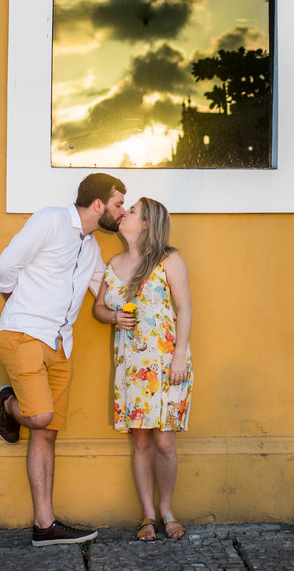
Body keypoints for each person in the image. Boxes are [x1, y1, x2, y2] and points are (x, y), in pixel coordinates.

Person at [0, 172, 126, 547]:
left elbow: (103, 289)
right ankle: (9, 403)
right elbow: (4, 268)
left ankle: (44, 525)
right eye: (118, 205)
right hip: (24, 334)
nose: (122, 211)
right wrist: (20, 306)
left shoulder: (92, 248)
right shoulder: (50, 220)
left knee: (46, 433)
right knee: (40, 417)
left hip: (61, 345)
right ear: (98, 205)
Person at [91, 197, 193, 541]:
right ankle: (147, 516)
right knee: (141, 443)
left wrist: (179, 356)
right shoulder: (114, 263)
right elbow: (98, 309)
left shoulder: (168, 260)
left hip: (166, 365)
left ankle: (167, 511)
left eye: (131, 211)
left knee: (164, 442)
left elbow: (185, 309)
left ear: (146, 223)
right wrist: (113, 316)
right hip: (132, 367)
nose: (123, 214)